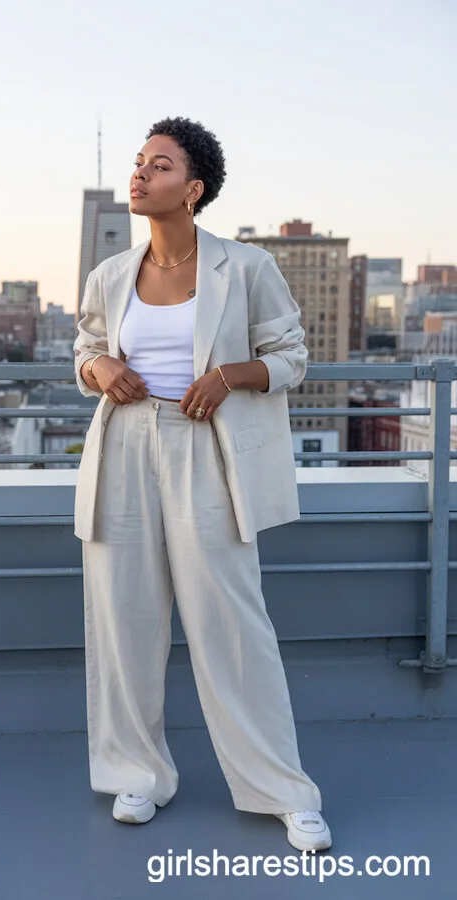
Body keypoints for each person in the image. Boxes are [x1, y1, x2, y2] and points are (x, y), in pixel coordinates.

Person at [73, 116, 332, 853]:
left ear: (192, 190)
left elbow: (291, 357)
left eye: (158, 166)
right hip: (123, 444)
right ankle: (135, 774)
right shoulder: (110, 275)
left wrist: (228, 376)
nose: (140, 174)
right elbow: (86, 347)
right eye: (138, 163)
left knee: (232, 623)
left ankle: (284, 791)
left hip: (206, 448)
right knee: (125, 618)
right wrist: (101, 369)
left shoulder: (244, 268)